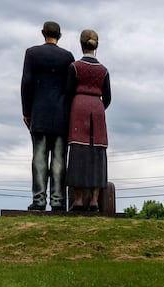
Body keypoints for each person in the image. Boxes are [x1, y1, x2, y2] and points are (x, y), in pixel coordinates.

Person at [21, 21, 74, 211]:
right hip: (61, 114)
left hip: (39, 112)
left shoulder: (32, 53)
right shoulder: (67, 57)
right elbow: (70, 88)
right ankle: (58, 201)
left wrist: (26, 111)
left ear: (43, 33)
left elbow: (26, 83)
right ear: (60, 36)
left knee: (39, 157)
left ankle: (39, 200)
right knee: (59, 158)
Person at [66, 29, 111, 212]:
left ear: (81, 44)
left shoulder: (74, 67)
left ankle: (77, 200)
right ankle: (94, 200)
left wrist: (76, 105)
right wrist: (98, 107)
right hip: (98, 109)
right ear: (96, 45)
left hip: (78, 108)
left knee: (78, 151)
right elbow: (107, 97)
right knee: (97, 153)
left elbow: (68, 93)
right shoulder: (104, 70)